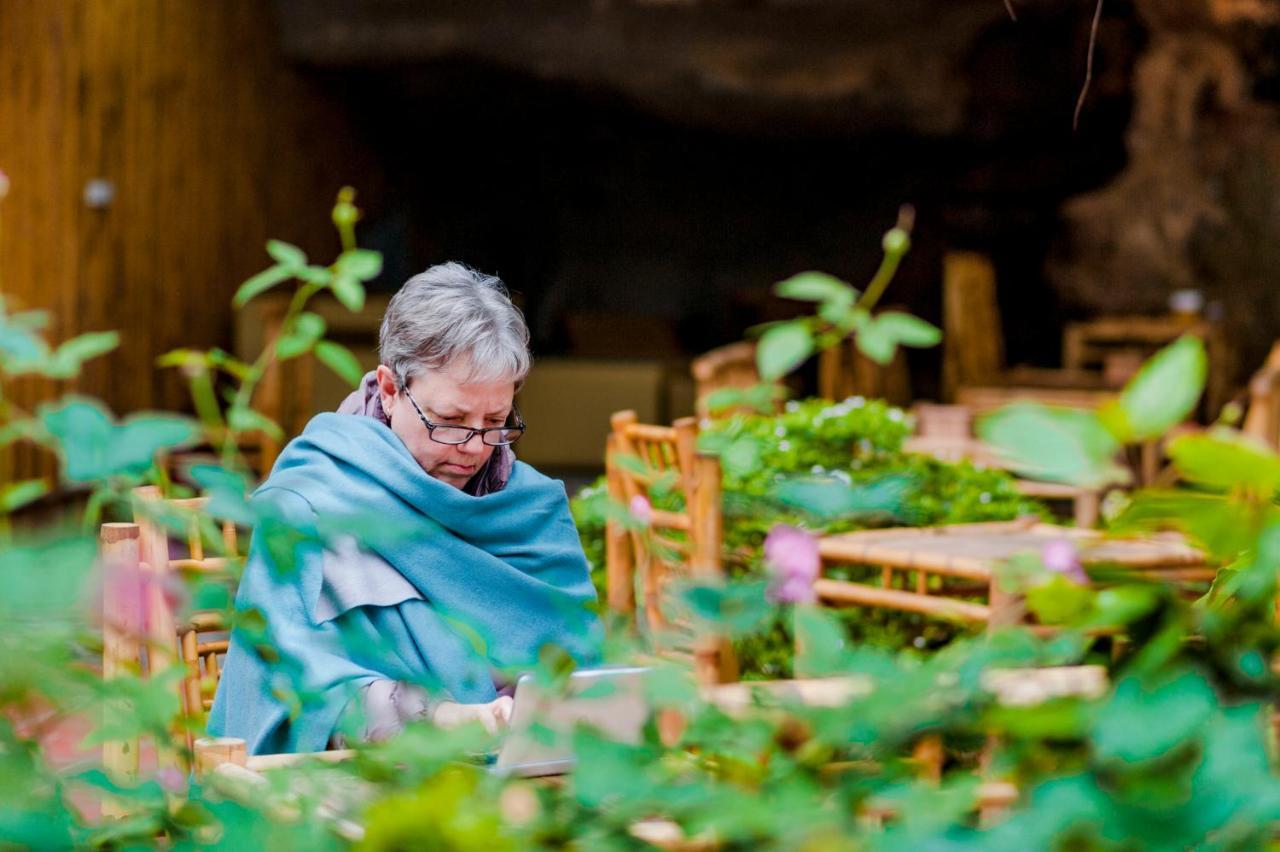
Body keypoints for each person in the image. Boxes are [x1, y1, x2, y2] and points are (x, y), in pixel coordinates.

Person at [208, 263, 601, 754]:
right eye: (450, 420)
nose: (475, 447)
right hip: (361, 787)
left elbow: (585, 676)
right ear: (390, 390)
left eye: (496, 421)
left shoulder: (531, 511)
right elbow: (290, 684)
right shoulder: (308, 503)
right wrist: (443, 718)